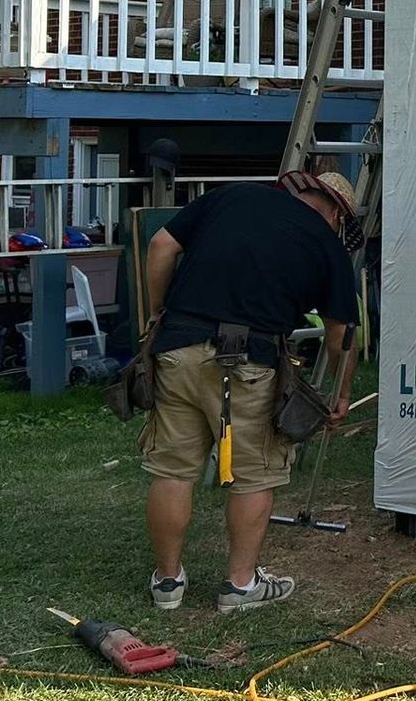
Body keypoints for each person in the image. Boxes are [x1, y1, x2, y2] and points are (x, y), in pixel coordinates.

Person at [139, 171, 362, 613]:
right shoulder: (327, 243)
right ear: (337, 212)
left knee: (173, 470)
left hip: (178, 348)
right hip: (251, 361)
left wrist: (158, 313)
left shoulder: (233, 195)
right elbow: (342, 335)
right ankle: (239, 587)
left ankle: (167, 583)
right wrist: (340, 394)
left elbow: (162, 246)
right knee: (255, 474)